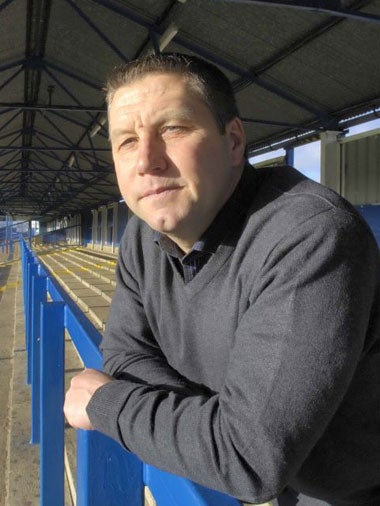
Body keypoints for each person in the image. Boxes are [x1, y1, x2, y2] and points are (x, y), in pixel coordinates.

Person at [64, 53, 380, 506]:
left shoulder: (310, 235)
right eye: (127, 141)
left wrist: (104, 402)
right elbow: (124, 354)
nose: (147, 161)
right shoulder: (143, 233)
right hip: (291, 480)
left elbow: (248, 459)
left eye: (172, 129)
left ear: (233, 142)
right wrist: (216, 425)